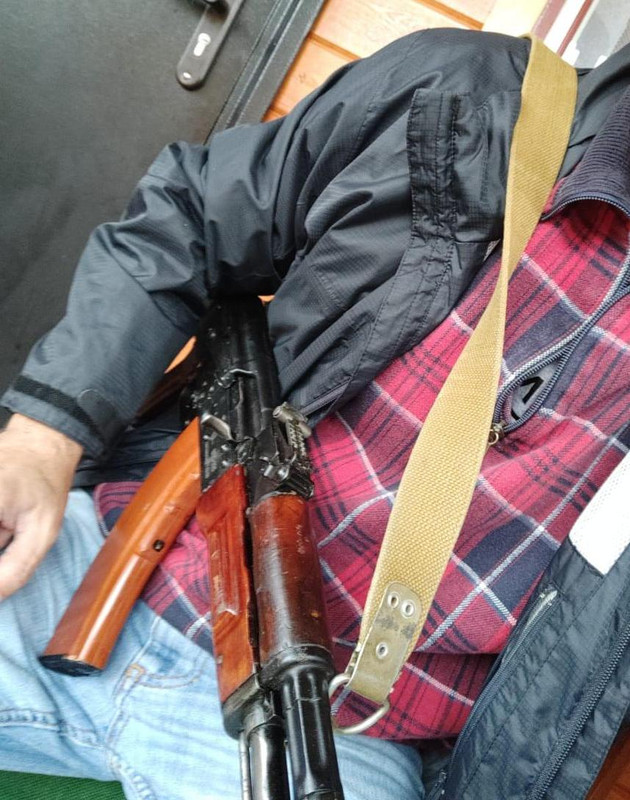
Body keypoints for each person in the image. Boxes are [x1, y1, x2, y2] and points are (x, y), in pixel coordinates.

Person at [1, 27, 630, 800]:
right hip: (121, 556)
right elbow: (193, 214)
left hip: (350, 738)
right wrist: (44, 436)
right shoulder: (464, 95)